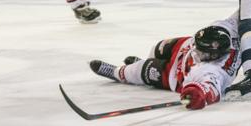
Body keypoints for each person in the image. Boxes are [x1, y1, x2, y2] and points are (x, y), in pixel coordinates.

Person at [90, 13, 241, 110]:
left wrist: (197, 94)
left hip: (174, 75)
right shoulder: (227, 30)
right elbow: (242, 13)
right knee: (157, 48)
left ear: (214, 55)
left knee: (145, 68)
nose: (196, 52)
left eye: (201, 52)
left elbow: (210, 89)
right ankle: (144, 63)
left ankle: (118, 72)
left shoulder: (212, 71)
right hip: (182, 47)